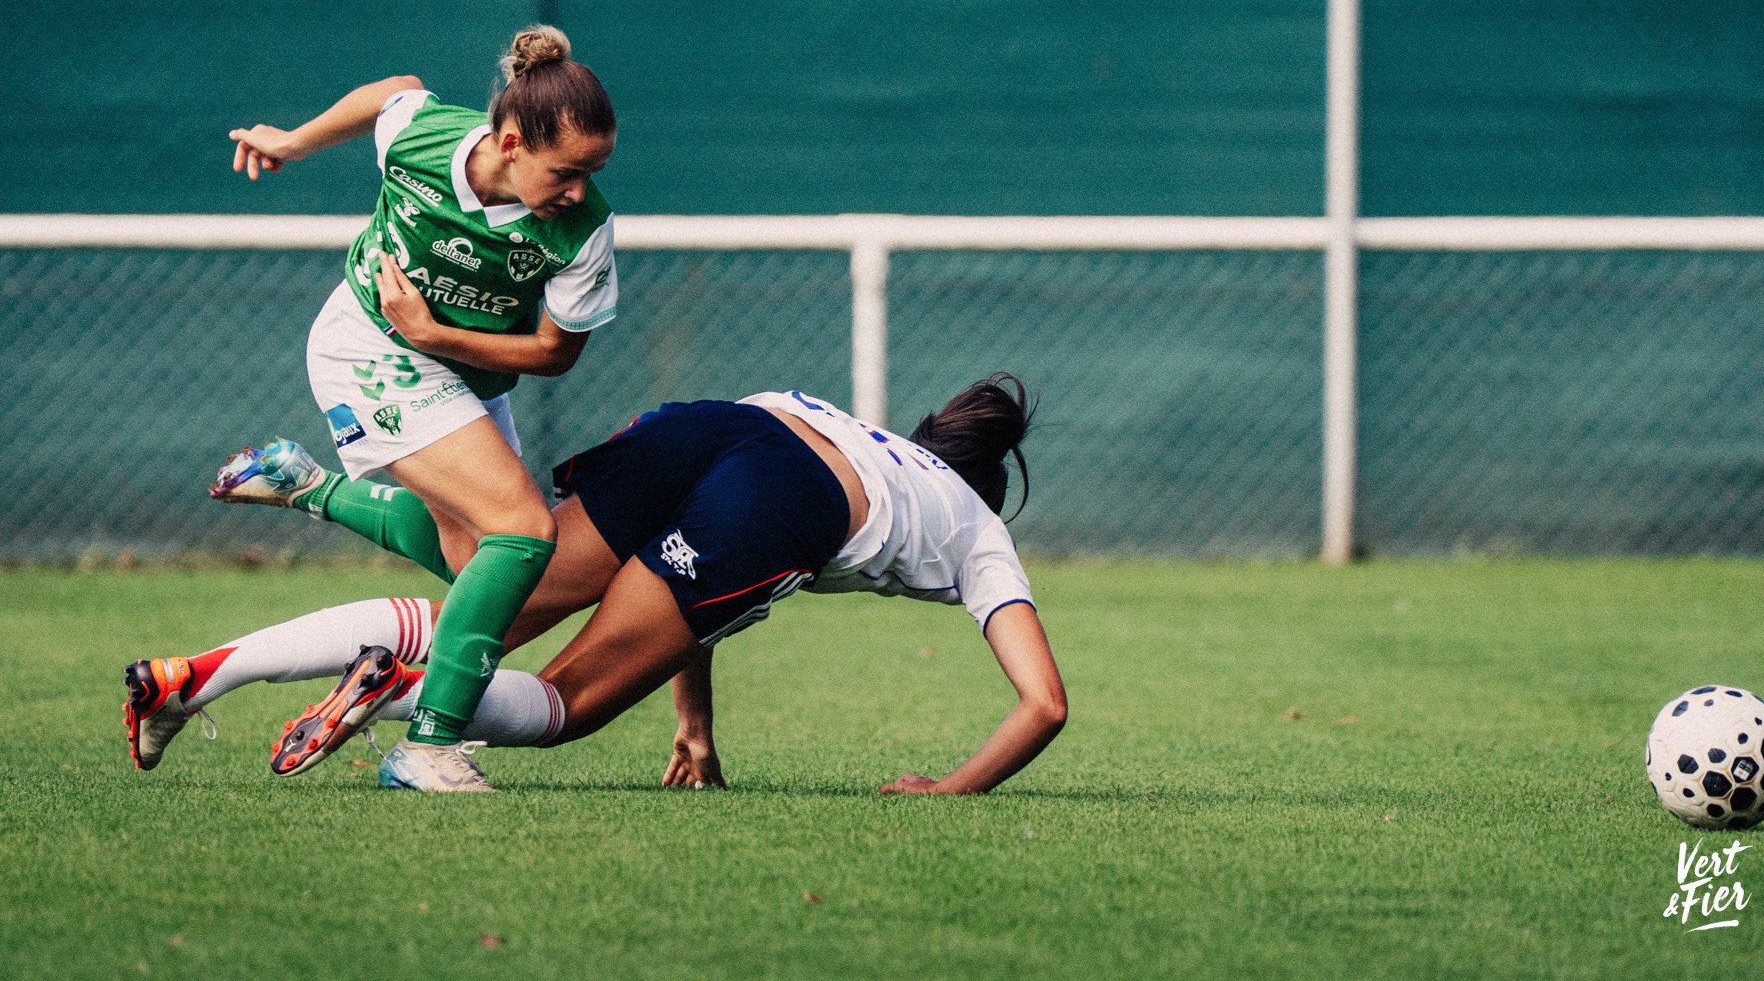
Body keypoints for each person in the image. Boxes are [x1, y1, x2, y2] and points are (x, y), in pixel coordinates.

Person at [123, 378, 1067, 795]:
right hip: (789, 495)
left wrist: (694, 728)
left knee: (481, 592)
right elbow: (1044, 706)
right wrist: (946, 791)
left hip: (726, 422)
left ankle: (195, 671)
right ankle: (402, 693)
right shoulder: (977, 528)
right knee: (568, 703)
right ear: (984, 482)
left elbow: (702, 611)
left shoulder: (867, 433)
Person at [123, 26, 622, 789]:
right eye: (567, 171)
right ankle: (429, 747)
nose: (579, 190)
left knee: (479, 564)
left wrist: (436, 330)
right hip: (368, 350)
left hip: (455, 366)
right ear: (511, 142)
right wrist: (291, 143)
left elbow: (555, 354)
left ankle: (308, 487)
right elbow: (393, 92)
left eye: (593, 171)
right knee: (522, 532)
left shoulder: (581, 230)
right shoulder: (425, 138)